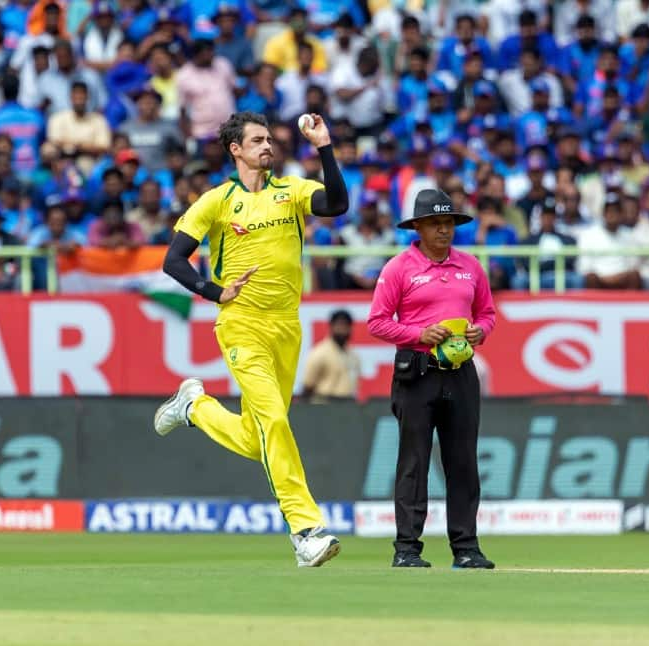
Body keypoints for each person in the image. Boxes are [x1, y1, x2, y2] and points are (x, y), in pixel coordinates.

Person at [155, 111, 348, 568]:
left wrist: (324, 146)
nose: (268, 146)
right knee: (275, 423)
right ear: (235, 149)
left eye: (270, 140)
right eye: (257, 140)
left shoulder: (293, 191)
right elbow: (174, 261)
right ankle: (306, 530)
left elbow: (337, 204)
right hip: (240, 323)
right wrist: (214, 291)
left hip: (287, 326)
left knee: (259, 431)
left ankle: (195, 408)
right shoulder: (217, 201)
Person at [367, 188, 497, 570]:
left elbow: (487, 313)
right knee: (414, 462)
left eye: (449, 223)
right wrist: (418, 335)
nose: (444, 230)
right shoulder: (399, 268)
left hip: (460, 373)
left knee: (463, 463)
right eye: (436, 223)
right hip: (417, 372)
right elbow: (376, 321)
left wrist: (480, 332)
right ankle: (406, 548)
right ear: (419, 227)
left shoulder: (471, 266)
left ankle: (466, 547)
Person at [301, 309, 361, 401]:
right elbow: (308, 386)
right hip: (325, 404)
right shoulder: (319, 353)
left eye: (346, 325)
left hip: (348, 403)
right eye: (339, 325)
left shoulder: (353, 355)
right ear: (331, 326)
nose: (342, 329)